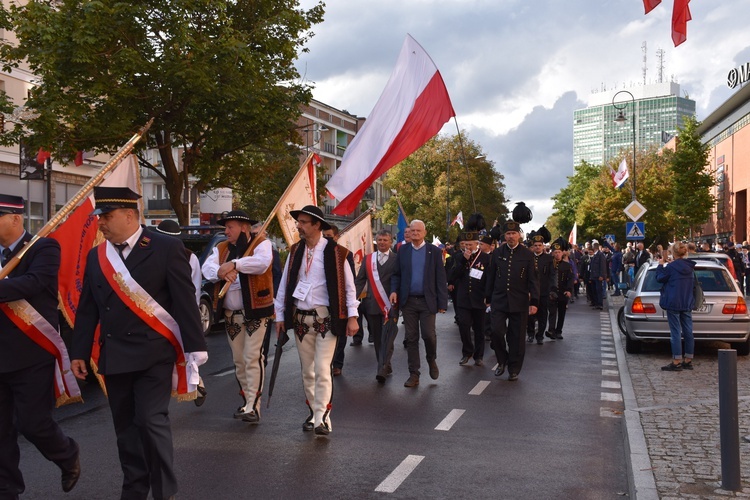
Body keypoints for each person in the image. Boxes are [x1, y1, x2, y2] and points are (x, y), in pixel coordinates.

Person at [71, 187, 207, 500]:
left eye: (107, 217)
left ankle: (163, 490)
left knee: (149, 420)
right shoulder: (97, 256)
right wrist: (78, 352)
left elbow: (184, 301)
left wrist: (194, 350)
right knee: (125, 430)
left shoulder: (166, 248)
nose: (101, 223)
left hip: (153, 353)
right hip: (115, 354)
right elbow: (88, 307)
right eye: (99, 218)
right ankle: (133, 489)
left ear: (130, 215)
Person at [0, 194, 81, 498]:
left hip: (30, 352)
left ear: (15, 218)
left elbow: (34, 283)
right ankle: (7, 490)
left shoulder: (43, 247)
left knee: (33, 424)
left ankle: (66, 454)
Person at [274, 205, 359, 436]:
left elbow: (349, 289)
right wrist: (280, 315)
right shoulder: (295, 251)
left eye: (303, 222)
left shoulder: (336, 252)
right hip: (301, 319)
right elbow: (284, 285)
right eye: (298, 222)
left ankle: (322, 417)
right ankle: (313, 412)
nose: (298, 226)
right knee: (307, 372)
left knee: (322, 369)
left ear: (317, 225)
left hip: (325, 320)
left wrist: (353, 317)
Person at [202, 210, 273, 423]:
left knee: (252, 356)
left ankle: (254, 404)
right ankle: (246, 400)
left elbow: (261, 263)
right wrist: (222, 271)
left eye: (230, 227)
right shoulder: (221, 248)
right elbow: (207, 268)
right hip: (231, 314)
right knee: (239, 360)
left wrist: (235, 265)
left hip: (256, 311)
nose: (226, 231)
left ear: (244, 227)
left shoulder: (262, 244)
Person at [155, 219, 208, 407]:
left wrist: (188, 316)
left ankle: (195, 383)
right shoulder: (147, 255)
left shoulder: (189, 257)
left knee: (182, 354)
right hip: (153, 313)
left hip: (176, 313)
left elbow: (193, 289)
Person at [390, 220, 448, 388]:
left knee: (428, 335)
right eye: (412, 230)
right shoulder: (403, 250)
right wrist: (394, 290)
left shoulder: (434, 252)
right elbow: (396, 274)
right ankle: (414, 374)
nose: (415, 233)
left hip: (427, 301)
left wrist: (442, 302)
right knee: (411, 338)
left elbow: (440, 278)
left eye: (418, 230)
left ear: (424, 232)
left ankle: (431, 359)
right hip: (408, 301)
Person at [484, 220, 539, 381]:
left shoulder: (527, 255)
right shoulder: (497, 253)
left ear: (519, 235)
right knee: (496, 331)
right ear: (504, 236)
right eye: (508, 234)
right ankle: (502, 360)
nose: (511, 237)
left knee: (516, 337)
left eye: (513, 233)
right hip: (499, 300)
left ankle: (514, 368)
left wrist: (534, 302)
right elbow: (491, 277)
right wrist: (488, 299)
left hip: (519, 301)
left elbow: (533, 280)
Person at [354, 230, 399, 382]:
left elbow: (399, 280)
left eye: (385, 240)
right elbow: (360, 280)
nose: (382, 242)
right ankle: (386, 364)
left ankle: (382, 368)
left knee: (388, 337)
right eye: (379, 240)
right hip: (372, 304)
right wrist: (353, 299)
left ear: (390, 242)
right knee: (379, 339)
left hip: (391, 305)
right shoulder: (368, 259)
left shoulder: (397, 259)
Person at [448, 222, 490, 365]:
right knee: (464, 326)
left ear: (477, 244)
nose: (468, 248)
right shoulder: (458, 257)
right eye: (465, 245)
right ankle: (467, 352)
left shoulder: (485, 258)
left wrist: (488, 297)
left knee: (479, 329)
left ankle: (479, 355)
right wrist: (463, 261)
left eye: (470, 245)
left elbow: (489, 279)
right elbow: (452, 276)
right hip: (463, 299)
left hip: (479, 298)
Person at [655, 242, 696, 371]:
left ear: (673, 253)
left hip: (673, 302)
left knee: (675, 331)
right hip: (687, 301)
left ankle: (676, 361)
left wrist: (660, 266)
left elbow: (660, 278)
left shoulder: (671, 267)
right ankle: (688, 359)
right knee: (688, 331)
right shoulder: (690, 267)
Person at [526, 234, 553, 344]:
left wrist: (552, 289)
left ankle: (540, 335)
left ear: (543, 246)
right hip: (531, 292)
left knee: (542, 314)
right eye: (535, 245)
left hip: (543, 291)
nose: (537, 247)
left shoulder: (548, 259)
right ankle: (531, 334)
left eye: (539, 245)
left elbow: (552, 275)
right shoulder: (528, 257)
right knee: (530, 315)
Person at [546, 240, 574, 340]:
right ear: (552, 253)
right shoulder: (549, 265)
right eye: (555, 252)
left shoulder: (567, 266)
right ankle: (551, 330)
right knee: (552, 312)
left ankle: (559, 331)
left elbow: (570, 279)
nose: (557, 254)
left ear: (562, 253)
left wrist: (569, 290)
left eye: (559, 252)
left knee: (561, 313)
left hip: (563, 292)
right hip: (552, 293)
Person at [588, 242, 607, 310]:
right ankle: (596, 303)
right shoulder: (595, 255)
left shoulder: (600, 255)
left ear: (594, 247)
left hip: (598, 276)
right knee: (594, 290)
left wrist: (601, 275)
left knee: (598, 290)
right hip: (594, 276)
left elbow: (602, 266)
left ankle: (600, 304)